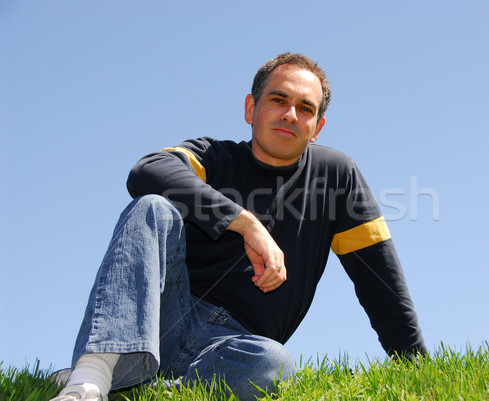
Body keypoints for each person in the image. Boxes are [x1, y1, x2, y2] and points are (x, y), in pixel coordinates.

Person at [50, 53, 426, 401]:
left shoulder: (336, 176)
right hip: (166, 318)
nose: (290, 114)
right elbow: (146, 171)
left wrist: (417, 368)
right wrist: (246, 224)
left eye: (305, 108)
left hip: (235, 345)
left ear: (317, 127)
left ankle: (150, 388)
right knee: (152, 207)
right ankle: (89, 381)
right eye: (278, 100)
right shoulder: (214, 156)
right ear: (251, 108)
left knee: (276, 364)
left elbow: (380, 279)